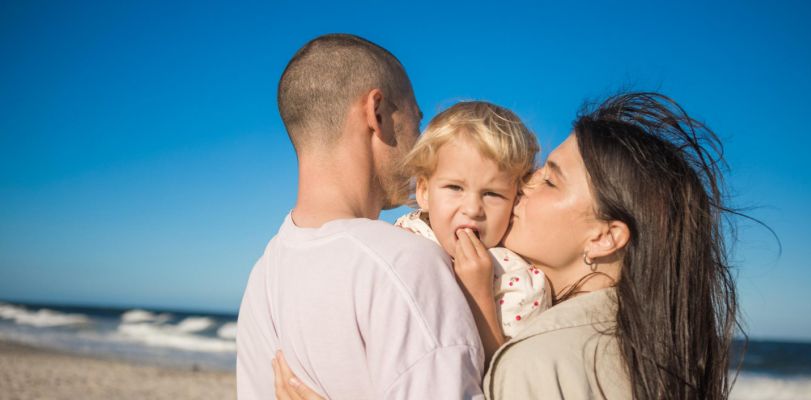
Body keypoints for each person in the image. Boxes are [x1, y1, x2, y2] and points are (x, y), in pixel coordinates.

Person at [273, 92, 740, 400]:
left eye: (550, 181)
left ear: (604, 237)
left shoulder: (542, 358)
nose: (526, 188)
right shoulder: (641, 344)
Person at [236, 34, 486, 399]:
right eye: (416, 123)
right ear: (377, 112)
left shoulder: (262, 276)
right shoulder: (407, 263)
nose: (421, 148)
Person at [393, 101, 549, 363]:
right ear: (424, 192)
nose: (473, 208)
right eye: (455, 187)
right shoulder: (404, 233)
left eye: (492, 194)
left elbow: (504, 377)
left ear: (515, 201)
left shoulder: (515, 279)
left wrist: (478, 294)